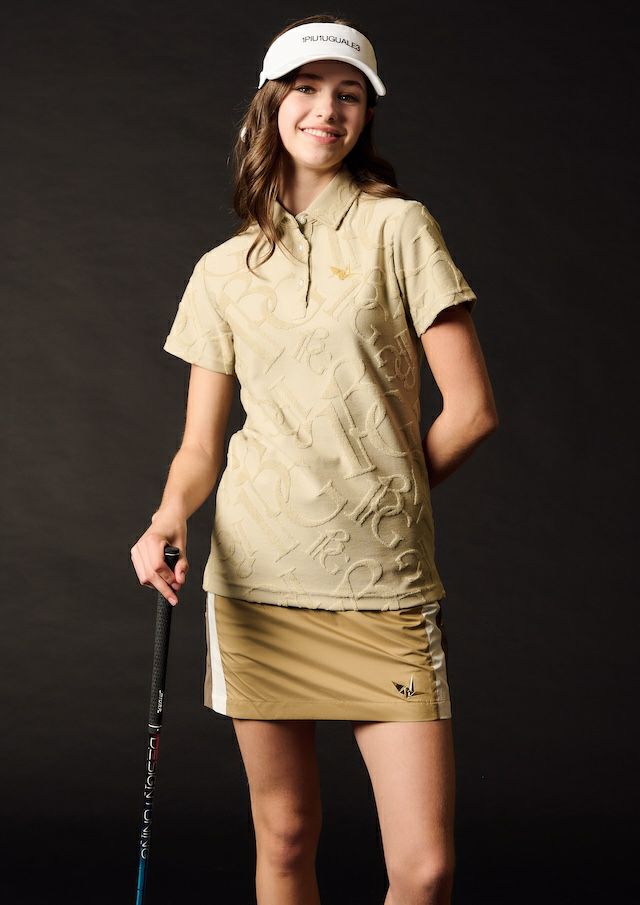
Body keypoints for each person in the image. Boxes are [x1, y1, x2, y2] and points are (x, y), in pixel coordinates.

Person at [131, 14, 498, 905]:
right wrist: (167, 515)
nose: (327, 111)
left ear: (365, 116)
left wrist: (382, 493)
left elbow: (473, 411)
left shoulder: (400, 228)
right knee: (287, 833)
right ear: (272, 104)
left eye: (349, 95)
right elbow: (199, 446)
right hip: (257, 581)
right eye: (306, 89)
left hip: (384, 581)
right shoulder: (223, 269)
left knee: (425, 868)